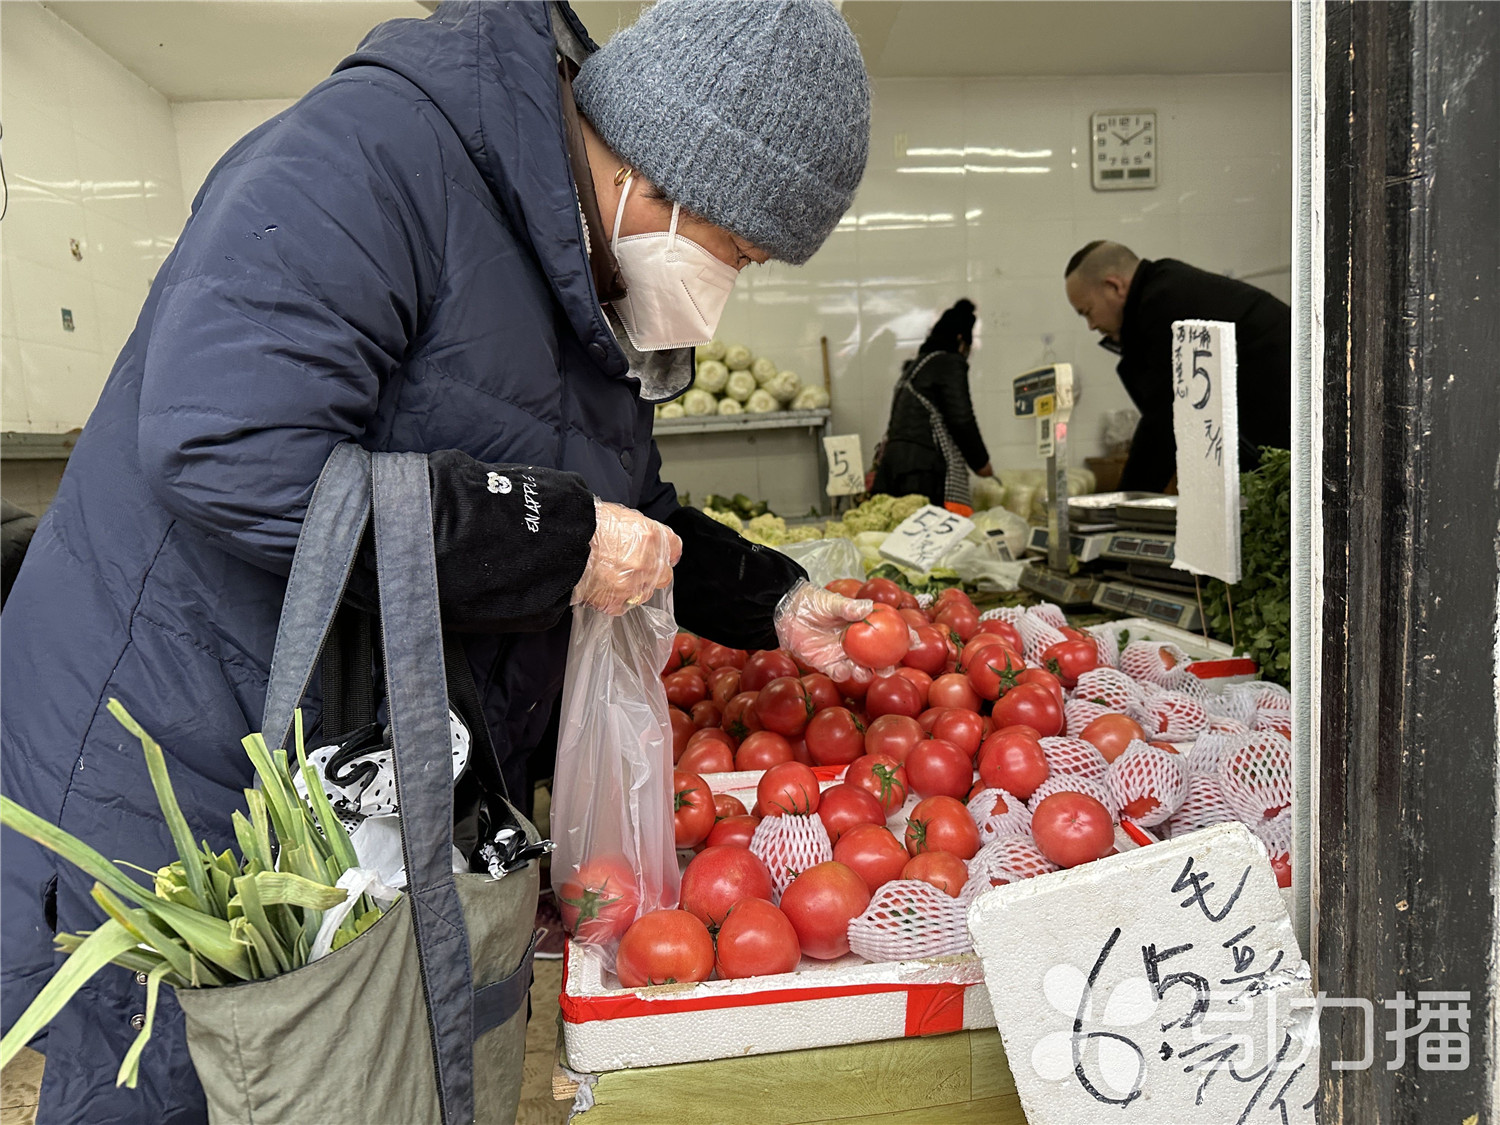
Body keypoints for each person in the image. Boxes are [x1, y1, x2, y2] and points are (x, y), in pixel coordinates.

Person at [0, 2, 870, 1120]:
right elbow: (229, 445)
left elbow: (632, 515)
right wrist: (557, 540)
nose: (724, 290)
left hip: (338, 768)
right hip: (185, 761)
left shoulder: (586, 282)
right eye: (737, 253)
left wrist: (777, 605)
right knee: (193, 1083)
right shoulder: (373, 159)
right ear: (667, 179)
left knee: (359, 1077)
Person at [1063, 241, 1292, 492]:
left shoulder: (1165, 303)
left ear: (1114, 286)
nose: (1091, 325)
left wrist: (1125, 505)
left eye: (1088, 311)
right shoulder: (1166, 288)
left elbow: (1164, 420)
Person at [870, 299, 994, 513]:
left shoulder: (916, 366)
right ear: (960, 340)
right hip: (922, 473)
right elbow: (962, 419)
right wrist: (982, 464)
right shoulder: (948, 363)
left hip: (895, 469)